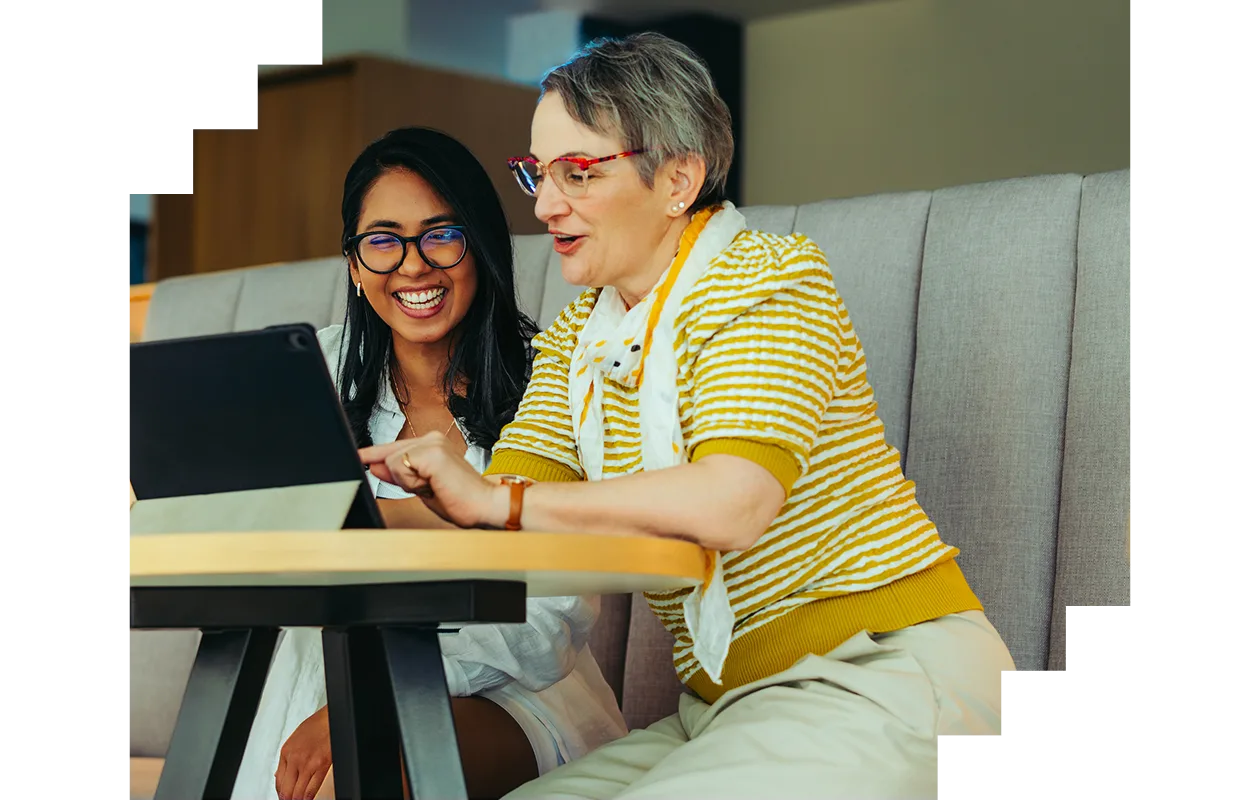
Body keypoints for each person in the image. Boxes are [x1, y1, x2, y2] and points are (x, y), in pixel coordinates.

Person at [358, 35, 1017, 800]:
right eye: (537, 173)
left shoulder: (769, 278)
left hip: (886, 677)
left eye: (578, 172)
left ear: (678, 178)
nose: (543, 204)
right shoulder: (579, 337)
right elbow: (497, 513)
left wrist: (498, 500)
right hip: (726, 707)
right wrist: (340, 505)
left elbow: (731, 503)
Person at [230, 126, 628, 801]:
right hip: (323, 677)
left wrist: (374, 696)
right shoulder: (310, 373)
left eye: (441, 235)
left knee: (372, 763)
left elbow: (553, 612)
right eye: (382, 241)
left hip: (510, 689)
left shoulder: (553, 378)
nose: (413, 265)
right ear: (355, 266)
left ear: (481, 248)